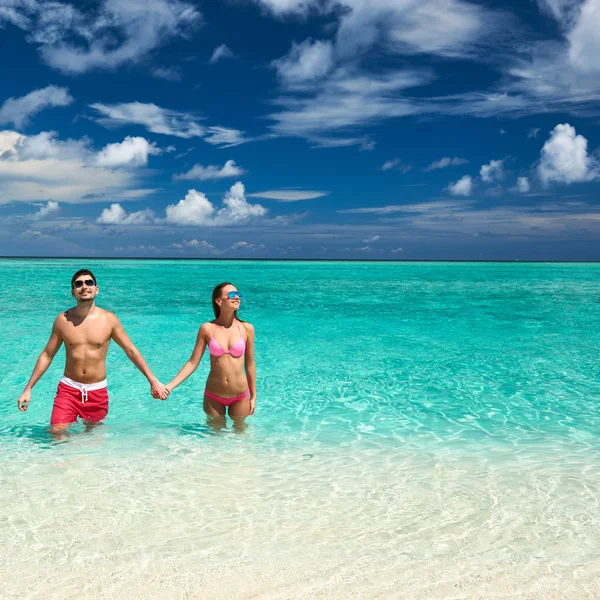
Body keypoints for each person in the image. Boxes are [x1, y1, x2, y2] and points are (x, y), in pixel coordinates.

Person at [17, 269, 169, 433]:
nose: (84, 286)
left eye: (89, 282)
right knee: (57, 432)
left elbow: (131, 351)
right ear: (73, 292)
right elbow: (47, 355)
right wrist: (28, 388)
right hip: (68, 389)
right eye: (79, 284)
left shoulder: (109, 319)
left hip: (97, 392)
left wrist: (153, 380)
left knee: (94, 439)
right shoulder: (63, 320)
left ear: (96, 289)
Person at [164, 282, 256, 427]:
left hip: (240, 395)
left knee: (241, 436)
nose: (237, 297)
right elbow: (192, 362)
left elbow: (250, 364)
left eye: (238, 294)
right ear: (218, 301)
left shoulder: (246, 328)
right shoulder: (207, 329)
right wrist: (169, 387)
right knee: (215, 439)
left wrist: (254, 397)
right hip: (214, 396)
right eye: (232, 294)